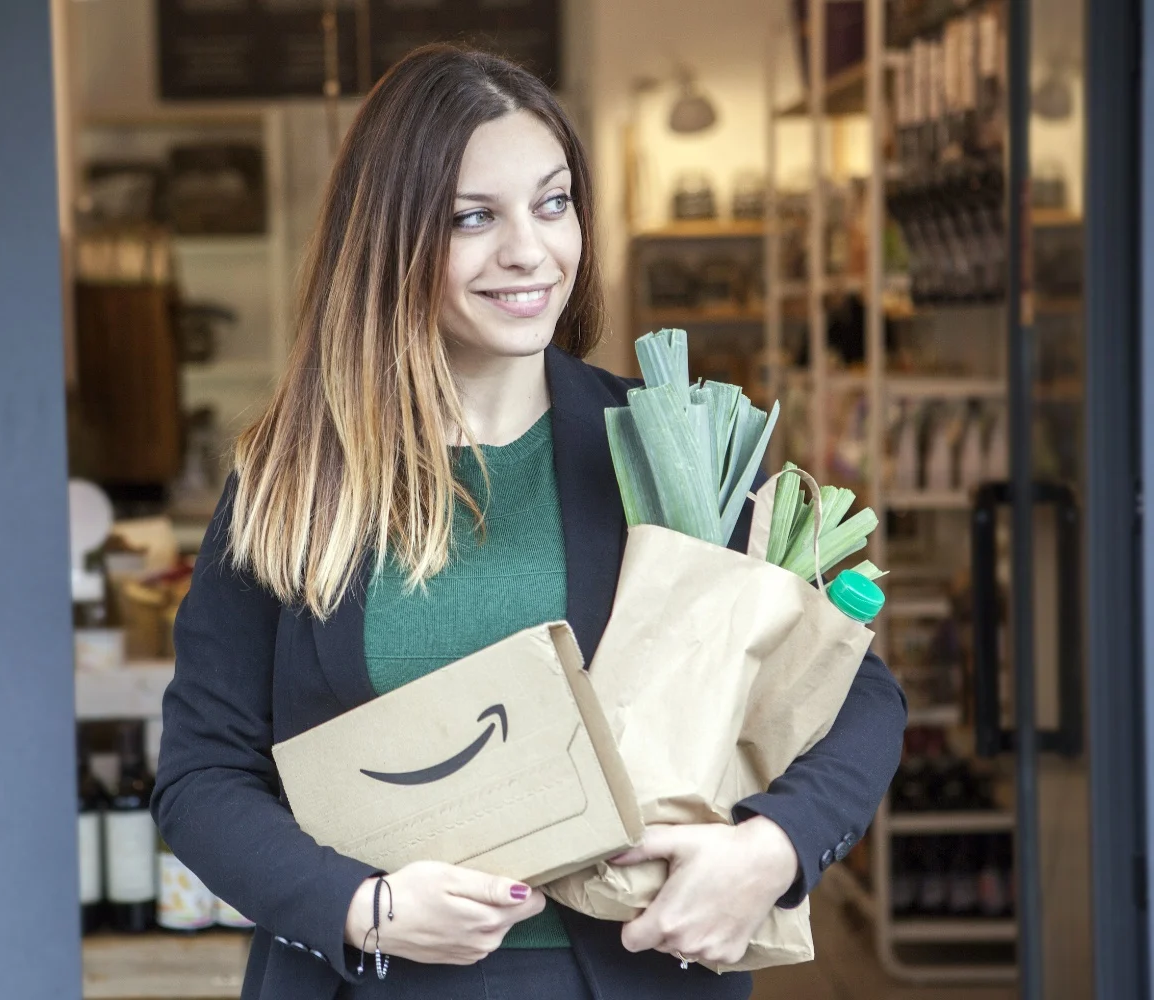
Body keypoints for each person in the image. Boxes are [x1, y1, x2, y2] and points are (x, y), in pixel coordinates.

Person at [152, 44, 907, 1000]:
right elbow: (202, 776)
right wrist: (360, 907)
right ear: (386, 241)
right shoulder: (295, 481)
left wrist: (773, 847)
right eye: (474, 218)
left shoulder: (679, 451)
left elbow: (857, 697)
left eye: (553, 204)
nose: (530, 250)